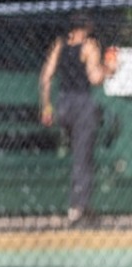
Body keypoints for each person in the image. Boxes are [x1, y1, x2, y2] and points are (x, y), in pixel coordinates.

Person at [41, 19, 111, 225]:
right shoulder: (90, 45)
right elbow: (95, 77)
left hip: (63, 104)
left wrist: (46, 106)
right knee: (83, 157)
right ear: (86, 27)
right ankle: (77, 208)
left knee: (80, 156)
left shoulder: (60, 44)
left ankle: (83, 205)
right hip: (81, 104)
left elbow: (46, 76)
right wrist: (110, 67)